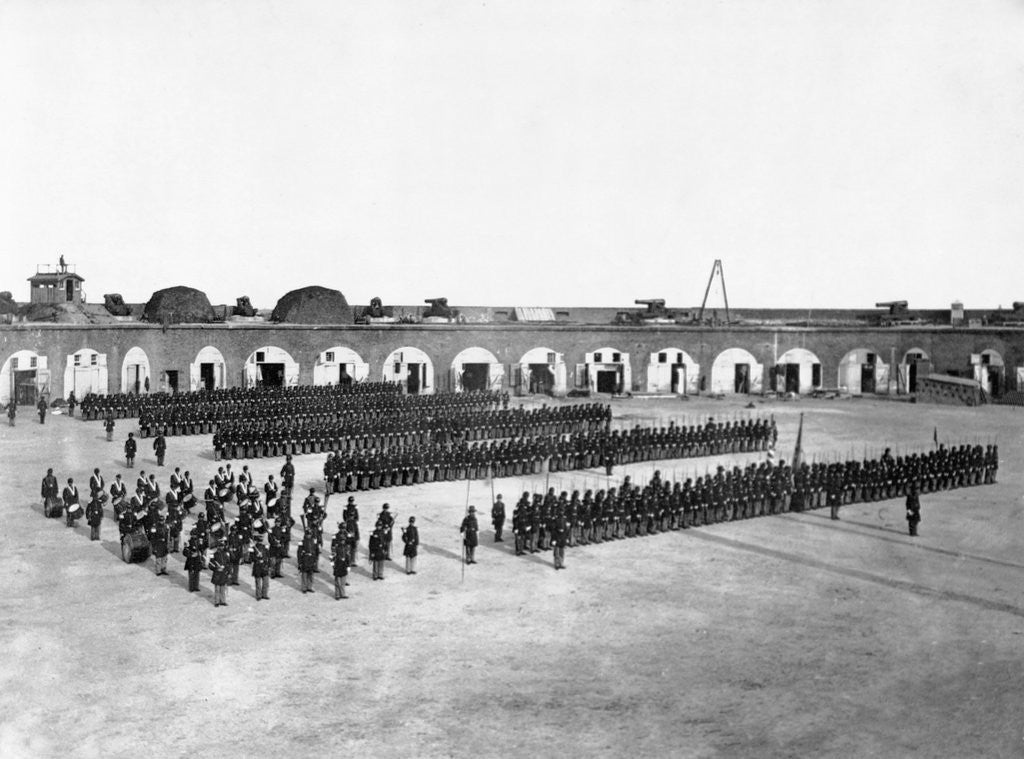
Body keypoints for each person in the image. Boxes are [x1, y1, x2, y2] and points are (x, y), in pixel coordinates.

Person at [210, 538, 230, 606]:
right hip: (217, 574)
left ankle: (223, 601)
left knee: (223, 589)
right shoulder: (214, 555)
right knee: (217, 589)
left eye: (222, 546)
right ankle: (217, 602)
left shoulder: (225, 554)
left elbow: (228, 563)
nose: (221, 547)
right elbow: (211, 565)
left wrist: (227, 570)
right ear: (217, 547)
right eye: (220, 546)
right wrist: (216, 568)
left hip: (223, 573)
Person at [251, 533, 271, 600]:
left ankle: (264, 594)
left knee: (265, 582)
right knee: (258, 583)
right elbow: (251, 558)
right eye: (259, 540)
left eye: (261, 540)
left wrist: (268, 565)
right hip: (257, 567)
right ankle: (258, 595)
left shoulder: (265, 548)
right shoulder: (253, 548)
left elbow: (268, 556)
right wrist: (257, 558)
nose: (260, 542)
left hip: (264, 566)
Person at [331, 532, 349, 599]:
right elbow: (331, 557)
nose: (342, 541)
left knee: (343, 582)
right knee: (337, 582)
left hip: (344, 566)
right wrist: (333, 565)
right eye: (341, 540)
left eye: (343, 540)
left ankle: (343, 594)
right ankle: (337, 594)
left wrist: (348, 565)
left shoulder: (346, 548)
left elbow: (348, 557)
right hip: (337, 566)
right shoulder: (336, 548)